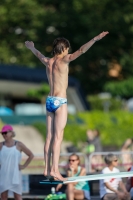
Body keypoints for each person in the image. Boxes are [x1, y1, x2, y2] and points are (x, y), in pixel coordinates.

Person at [25, 31, 109, 181]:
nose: (69, 51)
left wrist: (32, 47)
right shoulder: (65, 60)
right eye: (67, 49)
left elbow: (38, 55)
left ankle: (46, 168)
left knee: (49, 137)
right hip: (60, 101)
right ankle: (55, 170)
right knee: (58, 137)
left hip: (50, 100)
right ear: (64, 49)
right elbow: (82, 50)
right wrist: (95, 39)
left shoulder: (48, 61)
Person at [0, 124, 34, 200]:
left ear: (11, 133)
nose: (4, 134)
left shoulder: (19, 144)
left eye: (5, 132)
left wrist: (24, 166)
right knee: (3, 196)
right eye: (2, 133)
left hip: (15, 174)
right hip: (3, 174)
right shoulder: (1, 145)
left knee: (18, 196)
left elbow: (31, 155)